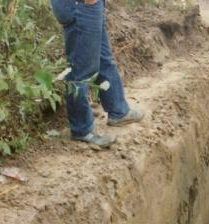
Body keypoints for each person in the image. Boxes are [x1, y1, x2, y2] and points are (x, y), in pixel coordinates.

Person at [50, 0, 144, 148]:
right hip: (81, 5)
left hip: (85, 5)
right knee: (80, 71)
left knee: (103, 58)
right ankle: (82, 130)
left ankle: (118, 111)